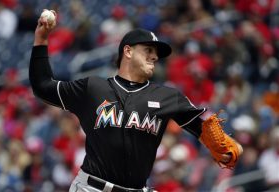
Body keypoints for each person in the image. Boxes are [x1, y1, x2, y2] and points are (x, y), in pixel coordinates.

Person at [29, 10, 241, 192]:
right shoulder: (93, 88)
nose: (155, 57)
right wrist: (41, 40)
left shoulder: (167, 97)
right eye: (148, 50)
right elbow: (42, 86)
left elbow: (206, 130)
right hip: (91, 187)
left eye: (156, 53)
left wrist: (228, 148)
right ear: (127, 51)